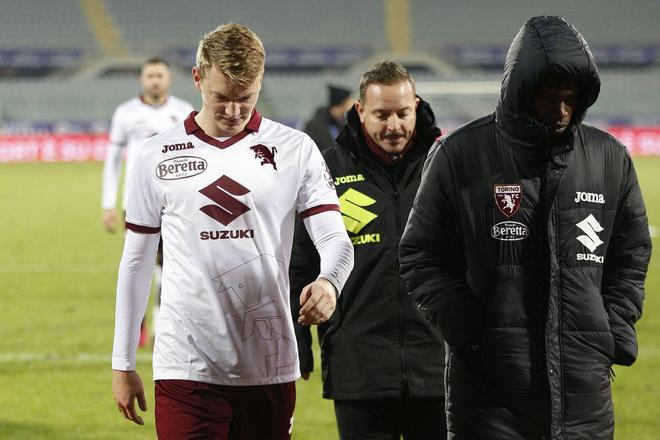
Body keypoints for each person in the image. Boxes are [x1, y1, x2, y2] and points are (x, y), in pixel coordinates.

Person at [399, 16, 651, 439]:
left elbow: (631, 253)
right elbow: (420, 255)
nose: (561, 110)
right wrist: (469, 332)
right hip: (488, 400)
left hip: (583, 397)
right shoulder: (459, 155)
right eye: (550, 98)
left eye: (571, 99)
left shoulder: (609, 158)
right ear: (521, 93)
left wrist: (612, 330)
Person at [111, 23, 354, 439]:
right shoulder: (154, 156)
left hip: (269, 360)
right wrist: (123, 362)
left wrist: (330, 282)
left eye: (246, 98)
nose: (233, 111)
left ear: (261, 82)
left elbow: (335, 239)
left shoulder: (295, 149)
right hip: (185, 365)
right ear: (197, 78)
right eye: (221, 97)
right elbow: (136, 262)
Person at [291, 60, 446, 439]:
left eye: (403, 113)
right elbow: (300, 261)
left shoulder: (445, 164)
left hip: (439, 364)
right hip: (358, 365)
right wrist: (299, 343)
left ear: (416, 106)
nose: (394, 125)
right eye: (381, 115)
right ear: (360, 111)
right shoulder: (327, 169)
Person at [101, 57, 194, 346]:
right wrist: (108, 204)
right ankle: (138, 325)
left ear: (169, 80)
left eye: (159, 75)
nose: (155, 80)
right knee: (137, 265)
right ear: (141, 80)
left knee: (170, 267)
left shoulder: (184, 112)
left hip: (172, 203)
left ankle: (160, 327)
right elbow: (113, 160)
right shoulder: (125, 113)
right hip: (135, 203)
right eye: (150, 76)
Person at [303, 84, 354, 151]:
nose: (352, 106)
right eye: (348, 103)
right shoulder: (315, 125)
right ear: (341, 105)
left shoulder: (344, 124)